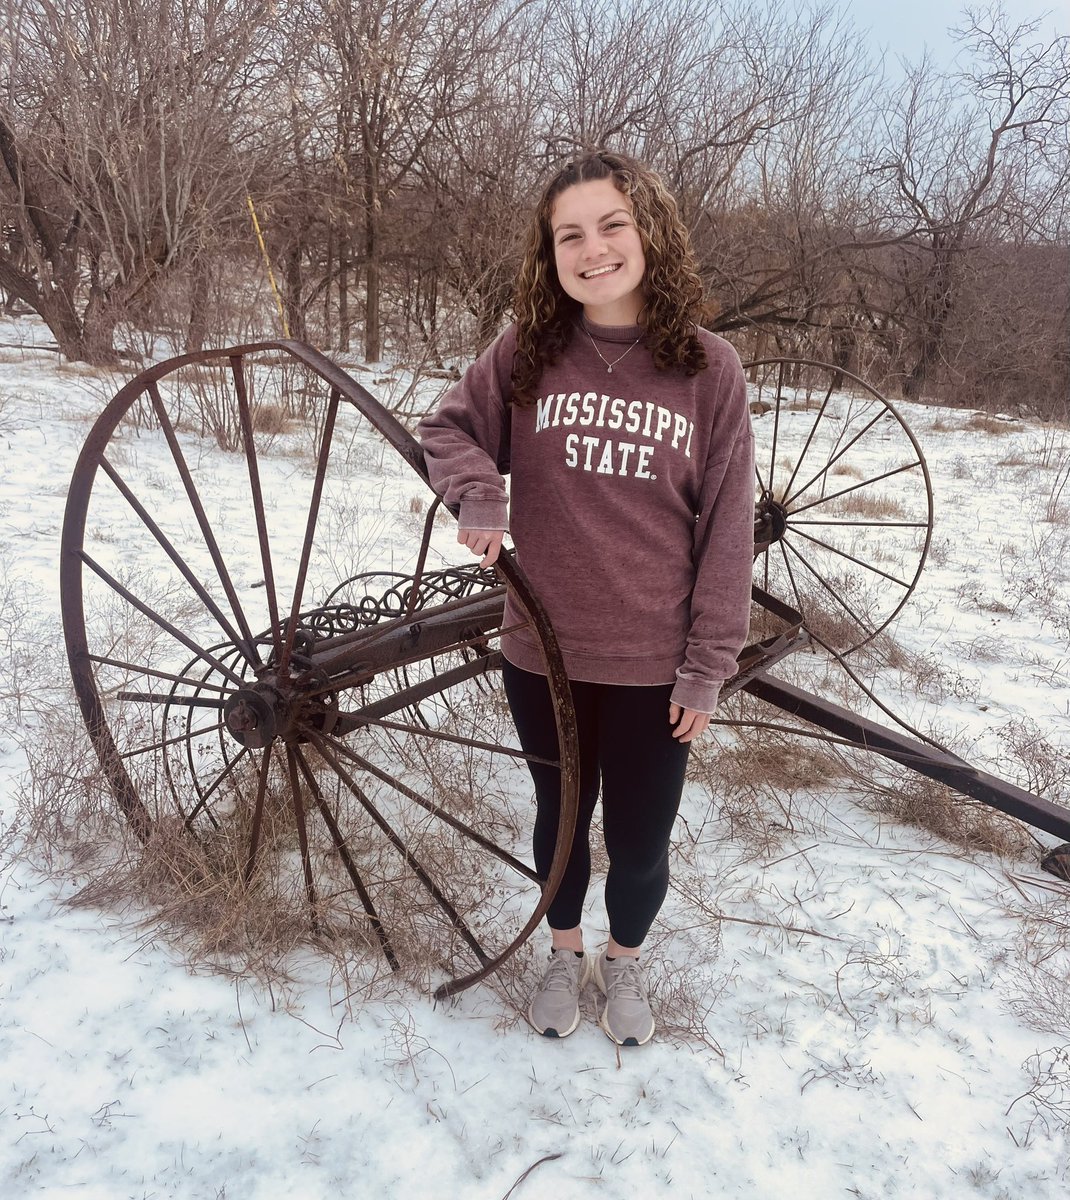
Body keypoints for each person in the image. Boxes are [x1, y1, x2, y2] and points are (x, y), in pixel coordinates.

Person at [418, 150, 754, 1046]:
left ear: (649, 234)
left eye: (612, 225)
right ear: (550, 252)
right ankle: (563, 950)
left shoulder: (708, 370)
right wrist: (480, 492)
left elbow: (727, 529)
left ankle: (625, 960)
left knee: (641, 839)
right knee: (561, 823)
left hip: (655, 666)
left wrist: (707, 665)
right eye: (571, 234)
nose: (593, 248)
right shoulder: (529, 352)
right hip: (545, 654)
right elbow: (446, 427)